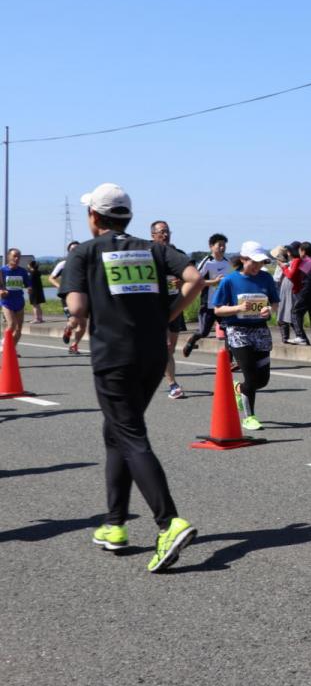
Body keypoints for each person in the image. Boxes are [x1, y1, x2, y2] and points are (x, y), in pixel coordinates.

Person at [63, 183, 201, 572]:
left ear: (94, 217)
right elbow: (193, 278)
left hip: (114, 357)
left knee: (131, 435)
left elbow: (76, 304)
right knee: (117, 433)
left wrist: (75, 321)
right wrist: (168, 315)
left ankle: (168, 522)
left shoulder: (86, 252)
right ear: (127, 216)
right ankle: (115, 524)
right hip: (153, 355)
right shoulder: (154, 248)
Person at [211, 241, 280, 431]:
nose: (258, 266)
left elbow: (274, 303)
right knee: (250, 376)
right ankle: (250, 417)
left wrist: (269, 310)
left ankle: (239, 389)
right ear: (243, 259)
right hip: (238, 330)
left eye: (261, 262)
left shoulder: (265, 278)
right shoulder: (230, 281)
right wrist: (238, 308)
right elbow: (218, 309)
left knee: (262, 380)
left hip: (260, 330)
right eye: (254, 262)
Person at [150, 220, 190, 399]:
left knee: (171, 348)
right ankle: (173, 385)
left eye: (167, 231)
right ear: (153, 235)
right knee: (166, 347)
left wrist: (181, 282)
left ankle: (159, 366)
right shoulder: (147, 256)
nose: (165, 235)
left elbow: (191, 279)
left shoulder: (178, 254)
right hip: (156, 307)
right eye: (161, 232)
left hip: (175, 305)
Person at [182, 233, 231, 358]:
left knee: (229, 331)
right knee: (204, 332)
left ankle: (229, 360)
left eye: (224, 245)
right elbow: (196, 280)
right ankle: (192, 340)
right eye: (219, 245)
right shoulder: (207, 262)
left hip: (223, 304)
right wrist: (214, 282)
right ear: (211, 246)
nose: (222, 248)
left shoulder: (227, 262)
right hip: (208, 303)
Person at [282, 241, 311, 345]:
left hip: (307, 291)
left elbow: (307, 278)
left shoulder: (306, 261)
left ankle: (300, 336)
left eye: (300, 250)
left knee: (295, 312)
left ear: (303, 251)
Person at [50, 241, 86, 354]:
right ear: (69, 252)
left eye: (77, 249)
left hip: (82, 296)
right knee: (74, 321)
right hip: (67, 296)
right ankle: (68, 328)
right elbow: (51, 278)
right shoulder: (63, 264)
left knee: (83, 324)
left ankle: (74, 345)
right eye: (72, 250)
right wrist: (60, 286)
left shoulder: (85, 263)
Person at [0, 248, 31, 345]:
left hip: (19, 302)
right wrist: (1, 291)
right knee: (12, 325)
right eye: (14, 256)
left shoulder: (22, 271)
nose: (17, 258)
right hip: (7, 302)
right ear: (9, 256)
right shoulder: (2, 271)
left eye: (19, 256)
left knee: (19, 329)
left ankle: (11, 349)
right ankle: (4, 343)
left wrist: (30, 288)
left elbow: (28, 284)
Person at [270, 245, 295, 343]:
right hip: (281, 288)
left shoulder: (284, 265)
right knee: (283, 313)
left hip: (281, 289)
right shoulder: (284, 264)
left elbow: (279, 278)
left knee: (282, 314)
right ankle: (286, 337)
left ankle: (285, 338)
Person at [27, 259, 45, 323]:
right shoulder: (37, 272)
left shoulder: (31, 273)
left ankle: (36, 319)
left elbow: (30, 283)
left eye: (28, 265)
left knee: (34, 305)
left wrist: (29, 289)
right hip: (39, 290)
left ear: (30, 265)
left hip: (33, 291)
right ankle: (40, 318)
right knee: (38, 305)